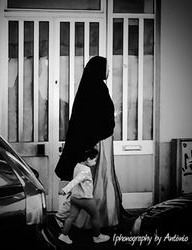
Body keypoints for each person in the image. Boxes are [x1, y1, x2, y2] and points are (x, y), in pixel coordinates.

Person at [55, 56, 125, 229]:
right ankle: (84, 219)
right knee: (93, 181)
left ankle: (84, 218)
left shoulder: (89, 87)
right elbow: (98, 119)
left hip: (94, 141)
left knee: (89, 182)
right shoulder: (97, 88)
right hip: (97, 143)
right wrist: (99, 137)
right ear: (99, 69)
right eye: (106, 67)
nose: (108, 71)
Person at [58, 148, 110, 244]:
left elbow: (75, 180)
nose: (95, 162)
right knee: (95, 215)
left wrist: (68, 191)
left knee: (71, 217)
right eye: (94, 160)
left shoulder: (77, 166)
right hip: (85, 199)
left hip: (74, 198)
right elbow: (76, 181)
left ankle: (63, 235)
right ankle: (97, 236)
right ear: (88, 159)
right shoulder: (86, 170)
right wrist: (65, 190)